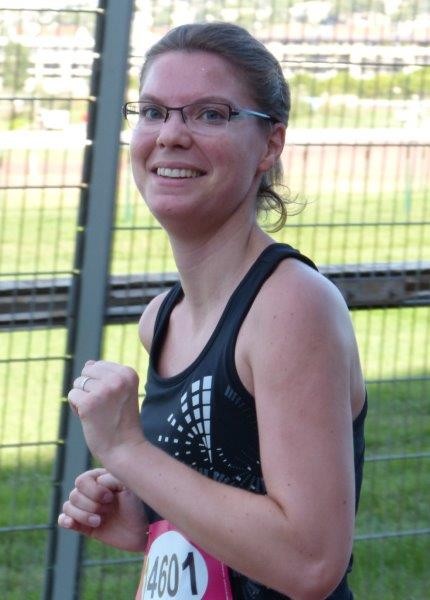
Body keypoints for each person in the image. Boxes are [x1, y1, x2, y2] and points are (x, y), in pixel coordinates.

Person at [58, 22, 367, 600]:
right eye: (153, 111)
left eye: (210, 114)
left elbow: (310, 563)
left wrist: (127, 450)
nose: (171, 135)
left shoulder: (289, 306)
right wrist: (147, 517)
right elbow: (227, 503)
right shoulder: (162, 320)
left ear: (270, 144)